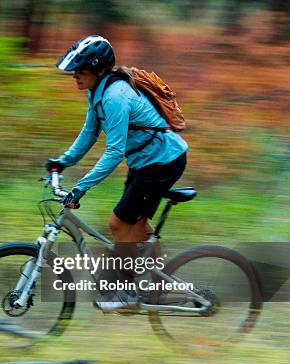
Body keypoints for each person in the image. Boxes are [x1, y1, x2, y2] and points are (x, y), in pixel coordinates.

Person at [46, 35, 188, 311]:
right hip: (146, 162)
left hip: (162, 162)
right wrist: (62, 162)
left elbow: (113, 152)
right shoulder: (97, 92)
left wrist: (81, 187)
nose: (75, 75)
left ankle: (126, 292)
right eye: (73, 70)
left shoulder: (114, 96)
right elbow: (89, 133)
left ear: (99, 70)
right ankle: (158, 286)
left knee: (118, 224)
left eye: (81, 69)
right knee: (138, 228)